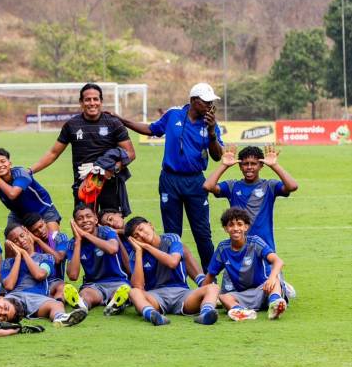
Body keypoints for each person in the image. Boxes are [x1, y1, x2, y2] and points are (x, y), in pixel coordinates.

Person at [114, 83, 223, 269]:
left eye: (211, 101)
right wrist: (122, 121)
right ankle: (176, 276)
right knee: (173, 233)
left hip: (196, 181)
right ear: (193, 101)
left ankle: (209, 278)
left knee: (203, 234)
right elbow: (151, 129)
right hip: (170, 180)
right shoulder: (174, 115)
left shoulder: (211, 125)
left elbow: (217, 155)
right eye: (206, 101)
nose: (210, 105)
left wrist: (212, 133)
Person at [30, 83, 135, 215]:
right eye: (88, 99)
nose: (92, 103)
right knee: (86, 225)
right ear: (81, 102)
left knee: (112, 226)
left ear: (101, 101)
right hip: (84, 184)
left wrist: (112, 169)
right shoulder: (71, 125)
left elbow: (130, 153)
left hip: (110, 184)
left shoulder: (113, 123)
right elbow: (53, 153)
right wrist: (30, 171)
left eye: (96, 99)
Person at [123, 216, 221, 326]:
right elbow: (138, 286)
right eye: (136, 236)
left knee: (214, 287)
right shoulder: (134, 255)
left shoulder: (171, 238)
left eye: (141, 229)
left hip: (182, 294)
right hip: (155, 297)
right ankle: (152, 315)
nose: (141, 235)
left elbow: (173, 262)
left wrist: (147, 246)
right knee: (133, 292)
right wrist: (139, 252)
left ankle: (205, 315)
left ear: (150, 225)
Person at [202, 145, 298, 252]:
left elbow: (292, 186)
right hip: (240, 246)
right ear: (240, 166)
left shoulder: (269, 186)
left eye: (253, 164)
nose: (249, 167)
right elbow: (208, 186)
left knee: (272, 268)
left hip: (265, 247)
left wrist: (274, 165)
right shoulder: (232, 186)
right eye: (245, 164)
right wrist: (224, 165)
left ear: (261, 165)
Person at [203, 208, 287, 321]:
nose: (236, 228)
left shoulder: (255, 242)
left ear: (246, 227)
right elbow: (210, 276)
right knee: (223, 297)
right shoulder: (223, 248)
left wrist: (271, 278)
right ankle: (241, 311)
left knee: (275, 280)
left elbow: (278, 261)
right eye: (231, 225)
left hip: (263, 290)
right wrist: (202, 297)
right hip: (243, 294)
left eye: (239, 224)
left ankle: (275, 304)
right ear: (225, 228)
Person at [1, 222, 85, 327]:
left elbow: (40, 275)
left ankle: (60, 318)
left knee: (57, 304)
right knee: (2, 305)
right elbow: (9, 285)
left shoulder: (46, 258)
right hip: (15, 297)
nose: (21, 241)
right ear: (11, 245)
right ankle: (1, 322)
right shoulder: (7, 263)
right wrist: (18, 257)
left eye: (22, 236)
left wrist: (24, 254)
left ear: (27, 233)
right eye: (15, 241)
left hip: (38, 299)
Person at [99, 208, 205, 286]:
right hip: (138, 272)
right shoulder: (113, 240)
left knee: (181, 248)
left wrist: (119, 231)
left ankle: (202, 282)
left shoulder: (138, 227)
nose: (111, 224)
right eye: (107, 225)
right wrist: (116, 236)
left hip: (160, 261)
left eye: (111, 219)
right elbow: (129, 268)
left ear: (119, 214)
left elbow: (156, 241)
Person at [64, 203, 130, 321]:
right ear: (75, 223)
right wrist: (78, 241)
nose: (85, 220)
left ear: (95, 219)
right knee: (86, 295)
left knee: (121, 292)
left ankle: (115, 304)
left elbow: (112, 249)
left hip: (118, 281)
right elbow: (73, 276)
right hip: (94, 285)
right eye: (80, 218)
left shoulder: (106, 231)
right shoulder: (72, 243)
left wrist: (86, 235)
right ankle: (82, 306)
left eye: (88, 216)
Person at [0, 148, 60, 231]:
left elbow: (12, 194)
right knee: (11, 240)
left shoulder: (21, 173)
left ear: (10, 164)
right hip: (19, 216)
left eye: (3, 161)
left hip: (43, 211)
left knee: (53, 241)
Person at [21, 212, 69, 300]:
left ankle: (57, 305)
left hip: (55, 282)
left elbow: (58, 258)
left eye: (41, 226)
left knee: (64, 288)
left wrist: (38, 240)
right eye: (35, 231)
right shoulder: (28, 245)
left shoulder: (60, 237)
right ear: (29, 233)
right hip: (35, 283)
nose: (40, 231)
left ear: (44, 222)